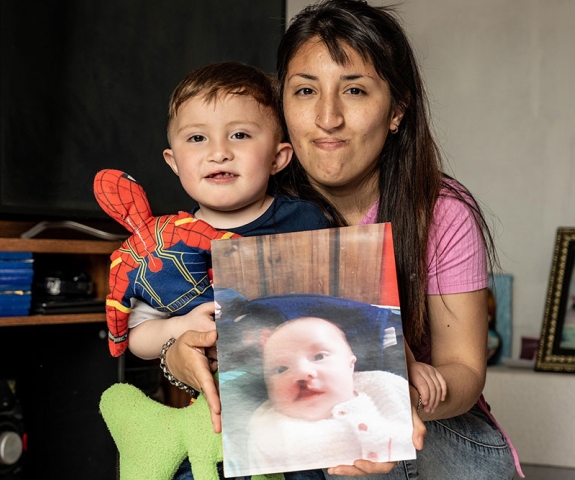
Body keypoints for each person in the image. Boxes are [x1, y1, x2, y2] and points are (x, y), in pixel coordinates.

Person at [154, 0, 525, 479]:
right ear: (282, 106)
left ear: (396, 110)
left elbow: (465, 371)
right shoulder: (241, 204)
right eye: (306, 90)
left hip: (424, 423)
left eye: (354, 90)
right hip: (288, 425)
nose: (327, 117)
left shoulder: (440, 212)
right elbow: (176, 331)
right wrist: (176, 356)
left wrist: (394, 401)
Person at [122, 61, 330, 364]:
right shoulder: (165, 244)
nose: (218, 152)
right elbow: (138, 336)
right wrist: (180, 326)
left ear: (278, 157)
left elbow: (354, 302)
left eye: (240, 135)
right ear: (174, 162)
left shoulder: (307, 222)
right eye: (197, 138)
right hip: (215, 397)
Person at [247, 317, 416, 475]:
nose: (302, 373)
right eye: (281, 369)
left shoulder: (380, 387)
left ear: (351, 366)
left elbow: (405, 421)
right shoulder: (269, 429)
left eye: (319, 357)